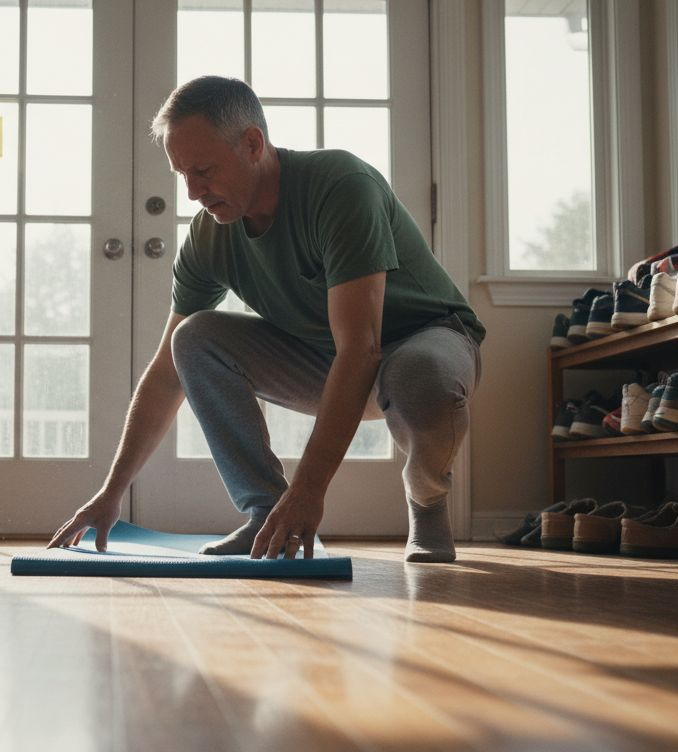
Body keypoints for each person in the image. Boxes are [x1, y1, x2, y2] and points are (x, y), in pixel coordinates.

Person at [46, 76, 484, 563]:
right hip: (325, 361)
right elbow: (168, 373)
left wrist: (308, 491)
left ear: (253, 143)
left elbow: (361, 348)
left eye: (204, 170)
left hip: (425, 339)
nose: (193, 192)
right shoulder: (209, 237)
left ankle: (427, 501)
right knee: (193, 338)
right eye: (182, 174)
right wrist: (112, 493)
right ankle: (265, 511)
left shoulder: (340, 186)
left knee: (417, 374)